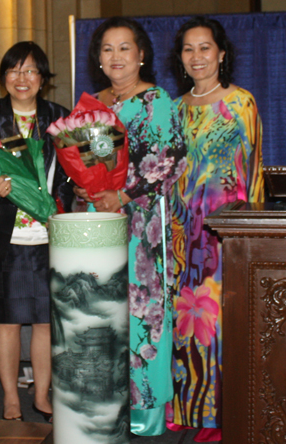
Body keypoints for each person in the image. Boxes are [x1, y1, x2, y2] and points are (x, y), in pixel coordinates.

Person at [77, 17, 186, 436]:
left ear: (141, 55)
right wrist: (87, 189)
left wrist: (121, 196)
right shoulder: (91, 104)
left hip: (140, 225)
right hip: (97, 219)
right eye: (107, 49)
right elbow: (81, 161)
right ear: (98, 59)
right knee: (98, 309)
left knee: (143, 315)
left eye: (125, 48)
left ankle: (143, 416)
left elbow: (171, 161)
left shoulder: (156, 100)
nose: (116, 56)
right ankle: (103, 407)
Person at [0, 41, 73, 421]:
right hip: (4, 235)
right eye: (14, 70)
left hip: (48, 235)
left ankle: (42, 395)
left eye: (30, 71)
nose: (21, 78)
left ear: (43, 78)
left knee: (46, 321)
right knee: (8, 321)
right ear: (3, 78)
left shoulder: (60, 117)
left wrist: (56, 210)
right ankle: (11, 397)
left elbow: (68, 177)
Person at [170, 16, 264, 442]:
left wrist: (253, 235)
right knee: (187, 324)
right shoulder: (175, 108)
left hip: (226, 232)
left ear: (221, 53)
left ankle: (222, 414)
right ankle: (190, 409)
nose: (197, 56)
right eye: (189, 49)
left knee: (223, 322)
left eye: (205, 47)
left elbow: (255, 169)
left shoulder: (241, 102)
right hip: (183, 234)